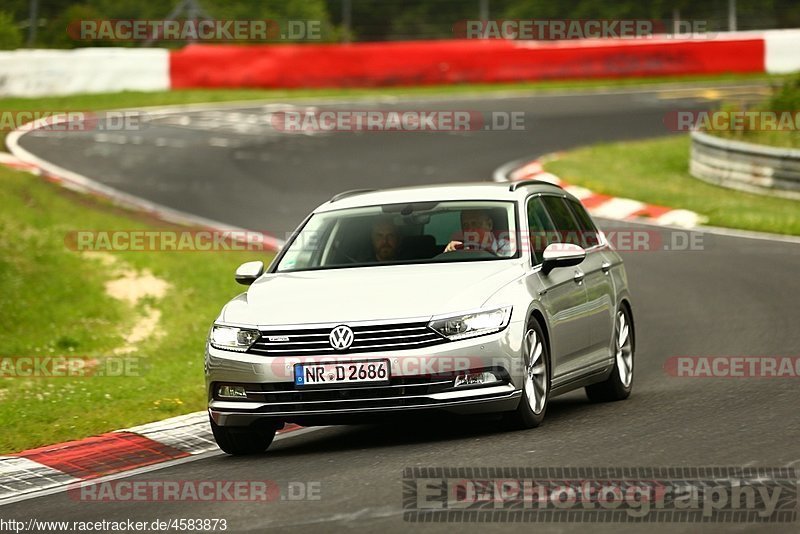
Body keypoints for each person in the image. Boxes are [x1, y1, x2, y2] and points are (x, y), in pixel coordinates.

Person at [444, 209, 512, 256]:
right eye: (465, 225)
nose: (470, 230)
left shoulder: (507, 248)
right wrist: (449, 254)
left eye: (475, 224)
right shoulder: (460, 250)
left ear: (489, 225)